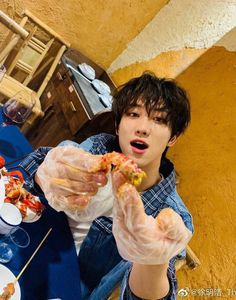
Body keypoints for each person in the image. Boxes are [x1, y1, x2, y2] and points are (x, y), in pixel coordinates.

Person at [20, 72, 193, 300]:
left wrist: (153, 259)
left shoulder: (171, 215)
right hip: (26, 252)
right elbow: (30, 174)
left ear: (173, 137)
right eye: (133, 114)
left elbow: (145, 294)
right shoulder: (96, 149)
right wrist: (45, 176)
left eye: (159, 119)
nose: (143, 127)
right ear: (118, 125)